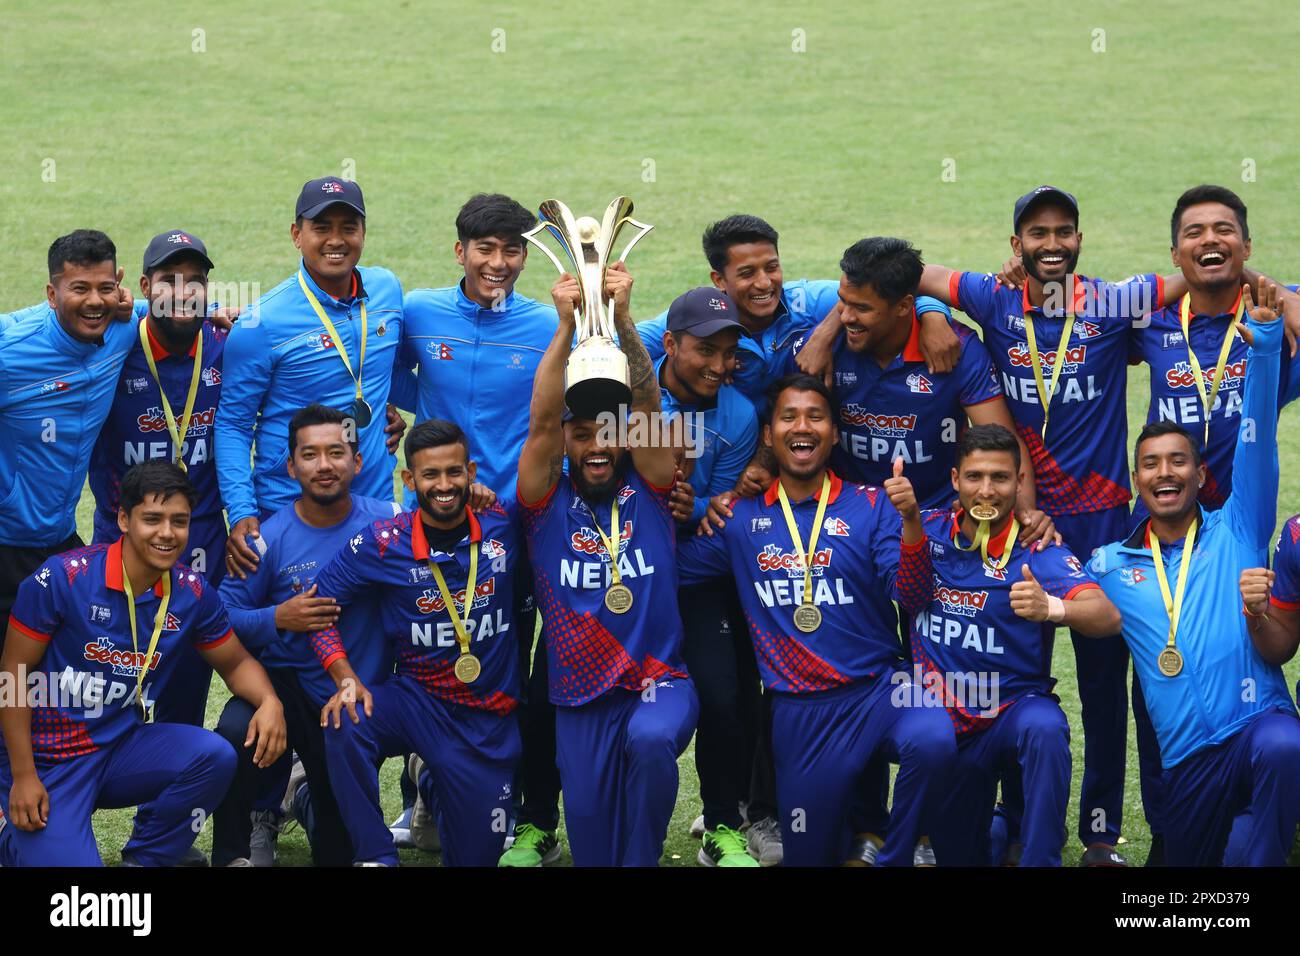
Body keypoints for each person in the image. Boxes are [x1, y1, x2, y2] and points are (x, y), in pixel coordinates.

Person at [913, 185, 1182, 864]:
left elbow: (1205, 272)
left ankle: (1098, 835)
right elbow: (906, 268)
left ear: (1080, 240)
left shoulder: (1116, 302)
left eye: (1064, 231)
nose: (1052, 244)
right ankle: (1010, 818)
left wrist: (1282, 291)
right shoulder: (992, 297)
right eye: (1038, 233)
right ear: (1017, 246)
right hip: (1013, 518)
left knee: (1103, 685)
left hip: (1101, 527)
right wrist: (928, 309)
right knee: (1005, 675)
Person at [677, 373, 956, 866]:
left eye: (815, 416)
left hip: (878, 691)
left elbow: (911, 595)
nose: (801, 426)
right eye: (788, 416)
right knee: (808, 852)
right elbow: (668, 570)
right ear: (768, 435)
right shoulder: (738, 521)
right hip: (800, 713)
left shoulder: (874, 505)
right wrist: (672, 502)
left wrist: (912, 521)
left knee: (933, 739)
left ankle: (896, 853)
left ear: (833, 432)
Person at [1090, 281, 1300, 866]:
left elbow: (1257, 437)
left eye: (1179, 461)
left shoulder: (1239, 527)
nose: (1165, 473)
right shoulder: (1112, 563)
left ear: (1202, 477)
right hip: (1187, 763)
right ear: (1137, 482)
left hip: (1257, 726)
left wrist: (1261, 344)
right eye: (1151, 464)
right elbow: (1068, 588)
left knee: (1285, 747)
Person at [388, 193, 562, 866]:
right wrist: (393, 418)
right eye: (484, 248)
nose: (499, 261)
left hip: (514, 527)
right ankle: (420, 796)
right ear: (459, 251)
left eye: (511, 249)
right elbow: (381, 376)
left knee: (504, 658)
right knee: (420, 654)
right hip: (431, 521)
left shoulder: (548, 323)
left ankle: (507, 806)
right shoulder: (421, 312)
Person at [0, 461, 286, 866]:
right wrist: (23, 776)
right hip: (49, 758)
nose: (167, 533)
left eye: (179, 521)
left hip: (119, 747)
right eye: (152, 519)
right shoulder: (62, 578)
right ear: (123, 519)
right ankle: (10, 841)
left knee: (215, 756)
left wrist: (270, 701)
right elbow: (11, 676)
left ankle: (146, 859)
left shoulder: (191, 593)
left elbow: (237, 663)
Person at [517, 264, 697, 867]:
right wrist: (565, 327)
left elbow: (646, 400)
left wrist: (622, 321)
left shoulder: (649, 487)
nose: (599, 445)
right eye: (584, 434)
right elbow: (543, 420)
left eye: (611, 432)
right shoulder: (544, 504)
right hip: (577, 698)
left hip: (657, 683)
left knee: (649, 742)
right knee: (593, 848)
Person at [898, 424, 1120, 865]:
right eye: (975, 477)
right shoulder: (926, 531)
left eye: (1000, 478)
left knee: (1046, 727)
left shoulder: (1036, 546)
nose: (987, 491)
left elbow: (1107, 616)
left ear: (1020, 482)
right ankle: (1001, 827)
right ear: (955, 480)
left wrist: (1051, 608)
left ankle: (1040, 857)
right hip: (947, 720)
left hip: (1015, 710)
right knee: (966, 853)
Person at [310, 419, 523, 867]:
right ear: (410, 480)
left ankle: (429, 777)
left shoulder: (504, 522)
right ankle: (375, 856)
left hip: (486, 718)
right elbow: (318, 609)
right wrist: (344, 677)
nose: (443, 485)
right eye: (430, 475)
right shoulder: (385, 543)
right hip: (416, 702)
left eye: (454, 472)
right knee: (346, 718)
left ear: (471, 472)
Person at [211, 404, 401, 867]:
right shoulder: (265, 539)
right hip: (287, 690)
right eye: (310, 455)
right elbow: (217, 618)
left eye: (336, 452)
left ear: (357, 462)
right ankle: (236, 848)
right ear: (291, 465)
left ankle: (305, 799)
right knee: (235, 730)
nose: (324, 465)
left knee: (340, 851)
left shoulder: (391, 521)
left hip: (357, 703)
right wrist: (280, 616)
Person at [218, 176, 406, 582]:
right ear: (296, 235)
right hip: (291, 509)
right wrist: (241, 510)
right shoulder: (261, 323)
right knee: (299, 629)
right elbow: (233, 425)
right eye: (321, 228)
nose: (335, 240)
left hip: (370, 502)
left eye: (348, 228)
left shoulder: (388, 291)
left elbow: (386, 370)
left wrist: (390, 412)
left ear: (363, 234)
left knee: (373, 631)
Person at [87, 230, 228, 733]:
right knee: (108, 671)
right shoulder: (112, 344)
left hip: (204, 538)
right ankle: (86, 785)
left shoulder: (228, 346)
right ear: (145, 287)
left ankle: (173, 802)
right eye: (169, 281)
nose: (183, 292)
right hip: (121, 536)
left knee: (187, 678)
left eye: (196, 281)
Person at [655, 287, 760, 866]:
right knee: (555, 694)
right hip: (621, 581)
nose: (720, 366)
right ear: (669, 344)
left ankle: (724, 823)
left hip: (697, 586)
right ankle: (535, 820)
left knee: (723, 700)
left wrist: (693, 509)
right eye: (706, 351)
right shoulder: (630, 396)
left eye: (729, 353)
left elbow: (722, 517)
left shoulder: (740, 414)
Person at [0, 231, 141, 636]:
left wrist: (220, 310)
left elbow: (166, 308)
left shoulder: (122, 328)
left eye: (105, 288)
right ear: (51, 292)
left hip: (60, 542)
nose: (95, 301)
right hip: (6, 546)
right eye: (79, 288)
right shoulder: (12, 354)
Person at [1130, 185, 1300, 513]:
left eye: (1224, 230)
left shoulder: (1274, 313)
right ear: (1175, 254)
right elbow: (1072, 303)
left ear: (1246, 247)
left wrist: (1286, 297)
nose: (1210, 239)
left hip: (1242, 521)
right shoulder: (1151, 319)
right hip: (1160, 514)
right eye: (1195, 232)